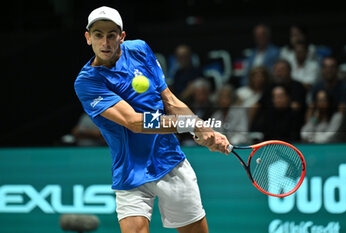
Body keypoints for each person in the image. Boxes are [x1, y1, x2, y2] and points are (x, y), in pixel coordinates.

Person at [74, 6, 230, 233]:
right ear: (88, 38)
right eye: (98, 35)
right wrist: (195, 125)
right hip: (131, 170)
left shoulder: (139, 50)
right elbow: (136, 122)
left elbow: (170, 100)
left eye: (111, 35)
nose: (105, 42)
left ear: (122, 36)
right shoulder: (87, 82)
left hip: (170, 161)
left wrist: (204, 130)